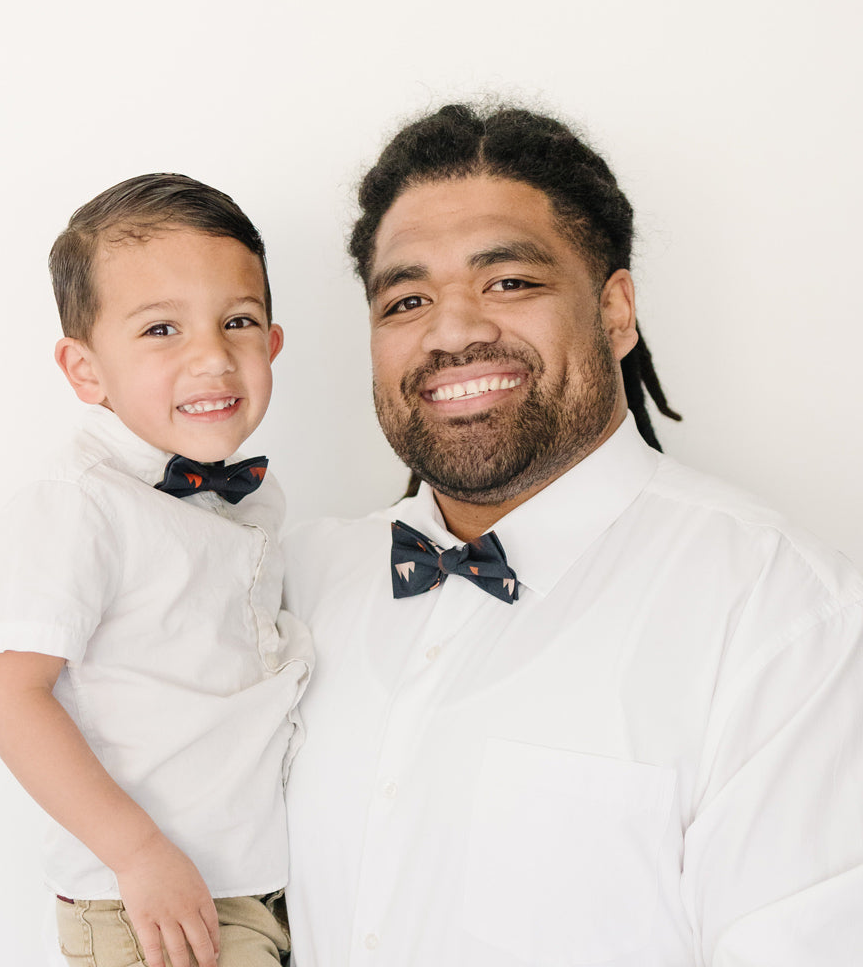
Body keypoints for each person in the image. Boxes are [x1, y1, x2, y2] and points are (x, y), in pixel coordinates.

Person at [281, 104, 863, 966]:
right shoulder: (300, 585)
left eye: (509, 282)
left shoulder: (779, 615)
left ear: (617, 310)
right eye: (406, 299)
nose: (454, 332)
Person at [0, 174, 312, 967]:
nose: (211, 357)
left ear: (271, 344)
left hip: (254, 882)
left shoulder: (246, 504)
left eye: (237, 322)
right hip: (151, 900)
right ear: (86, 370)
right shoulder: (78, 504)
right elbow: (7, 696)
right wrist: (137, 855)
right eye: (162, 329)